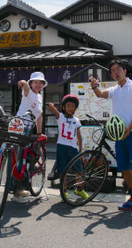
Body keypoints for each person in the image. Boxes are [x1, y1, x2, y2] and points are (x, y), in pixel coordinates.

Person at [89, 59, 132, 217]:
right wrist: (94, 85)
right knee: (124, 167)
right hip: (119, 135)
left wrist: (129, 127)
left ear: (125, 70)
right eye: (112, 70)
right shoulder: (114, 89)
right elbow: (100, 94)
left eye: (118, 69)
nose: (116, 72)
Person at [12, 71, 47, 203]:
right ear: (31, 83)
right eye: (35, 82)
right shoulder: (28, 93)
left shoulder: (40, 97)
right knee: (17, 159)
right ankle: (16, 190)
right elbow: (25, 88)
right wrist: (23, 83)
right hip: (18, 126)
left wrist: (39, 133)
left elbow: (39, 115)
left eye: (40, 83)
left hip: (27, 130)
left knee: (29, 155)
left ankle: (21, 185)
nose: (38, 84)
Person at [48, 95, 89, 200]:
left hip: (73, 148)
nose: (70, 108)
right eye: (68, 106)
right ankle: (64, 191)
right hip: (61, 146)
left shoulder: (76, 120)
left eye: (73, 106)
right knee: (62, 171)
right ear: (63, 107)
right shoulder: (60, 117)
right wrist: (52, 107)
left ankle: (79, 190)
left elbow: (79, 136)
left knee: (79, 170)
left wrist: (80, 148)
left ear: (75, 108)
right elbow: (55, 112)